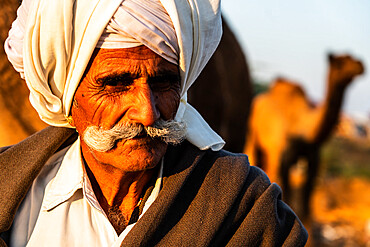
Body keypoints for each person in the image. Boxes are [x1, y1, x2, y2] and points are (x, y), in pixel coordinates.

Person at [0, 0, 308, 246]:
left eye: (164, 83)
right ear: (67, 91)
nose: (148, 113)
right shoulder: (14, 197)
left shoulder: (246, 209)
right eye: (115, 84)